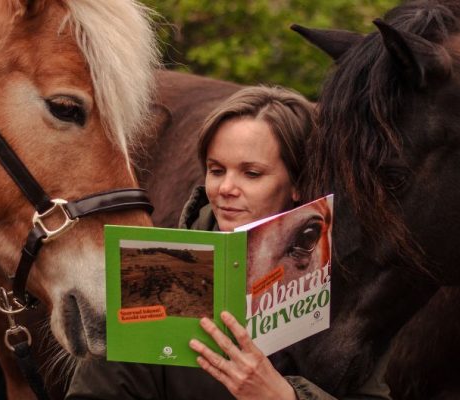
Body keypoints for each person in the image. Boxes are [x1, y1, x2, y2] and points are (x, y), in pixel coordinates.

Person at [66, 86, 390, 400]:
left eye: (251, 174)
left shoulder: (344, 290)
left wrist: (284, 398)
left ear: (298, 183)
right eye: (217, 170)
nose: (226, 188)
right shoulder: (155, 270)